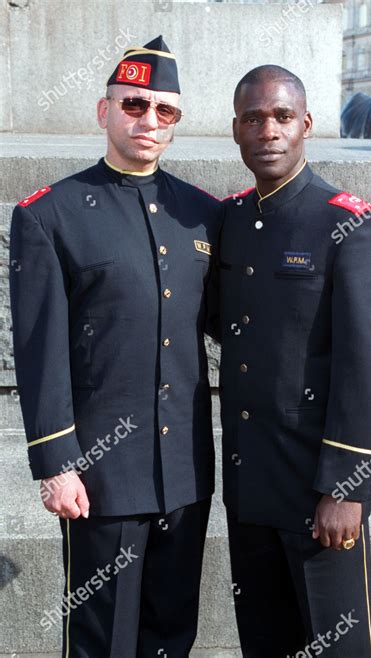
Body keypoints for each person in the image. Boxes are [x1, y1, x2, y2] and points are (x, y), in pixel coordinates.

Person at [9, 36, 221, 658]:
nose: (148, 121)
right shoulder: (51, 215)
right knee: (101, 639)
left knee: (171, 632)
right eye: (133, 105)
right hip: (99, 474)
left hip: (184, 468)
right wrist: (56, 462)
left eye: (165, 111)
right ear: (104, 112)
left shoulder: (203, 215)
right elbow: (38, 349)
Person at [218, 65, 371, 657]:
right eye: (253, 118)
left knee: (336, 646)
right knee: (264, 643)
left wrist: (347, 488)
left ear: (306, 125)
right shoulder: (232, 221)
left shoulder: (347, 222)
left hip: (318, 490)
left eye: (280, 117)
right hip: (250, 487)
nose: (267, 130)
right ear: (236, 130)